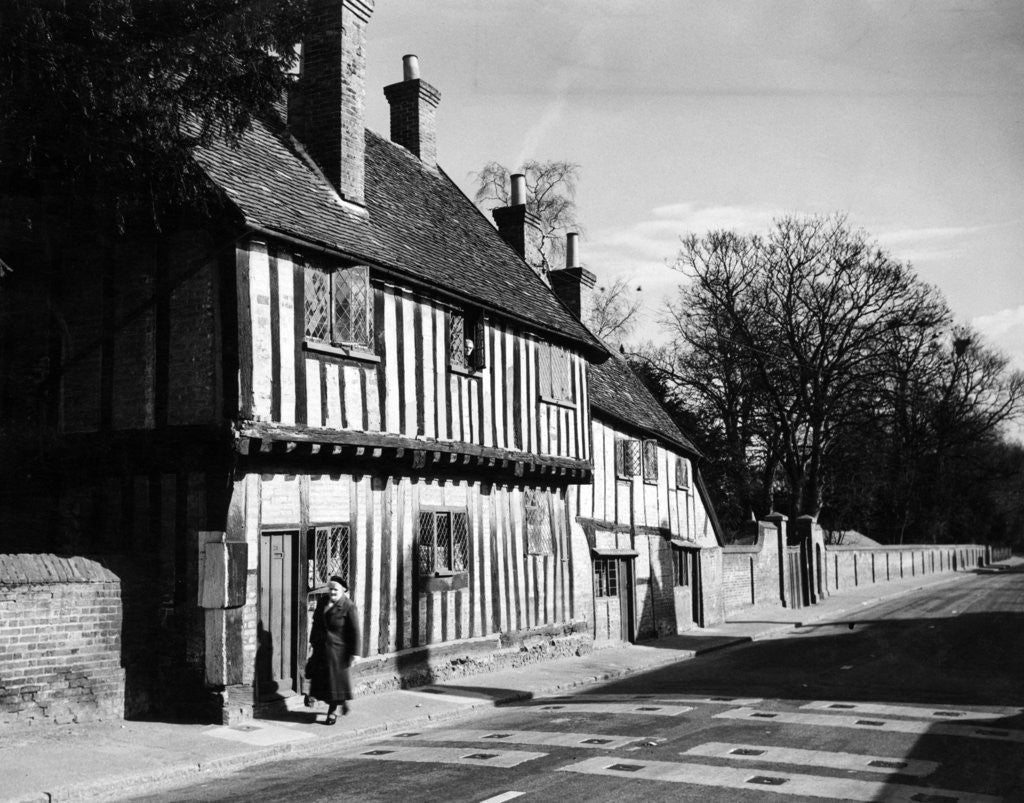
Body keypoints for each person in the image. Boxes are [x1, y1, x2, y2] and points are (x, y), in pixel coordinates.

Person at [306, 575, 360, 725]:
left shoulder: (349, 606)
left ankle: (332, 711)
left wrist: (355, 653)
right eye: (330, 589)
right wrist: (312, 641)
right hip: (322, 648)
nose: (332, 592)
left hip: (339, 652)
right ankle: (339, 700)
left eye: (335, 589)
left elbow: (355, 631)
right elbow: (316, 622)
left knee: (335, 684)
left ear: (343, 590)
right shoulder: (323, 602)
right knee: (323, 680)